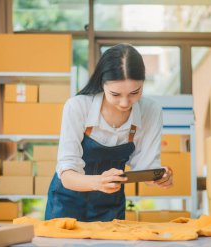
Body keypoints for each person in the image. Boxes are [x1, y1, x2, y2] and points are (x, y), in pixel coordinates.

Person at [45, 43, 173, 222]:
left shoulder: (151, 111)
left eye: (134, 93)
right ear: (102, 84)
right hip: (67, 202)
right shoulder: (78, 107)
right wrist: (98, 182)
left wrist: (159, 176)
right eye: (115, 94)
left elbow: (146, 169)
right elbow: (66, 175)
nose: (125, 103)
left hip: (110, 206)